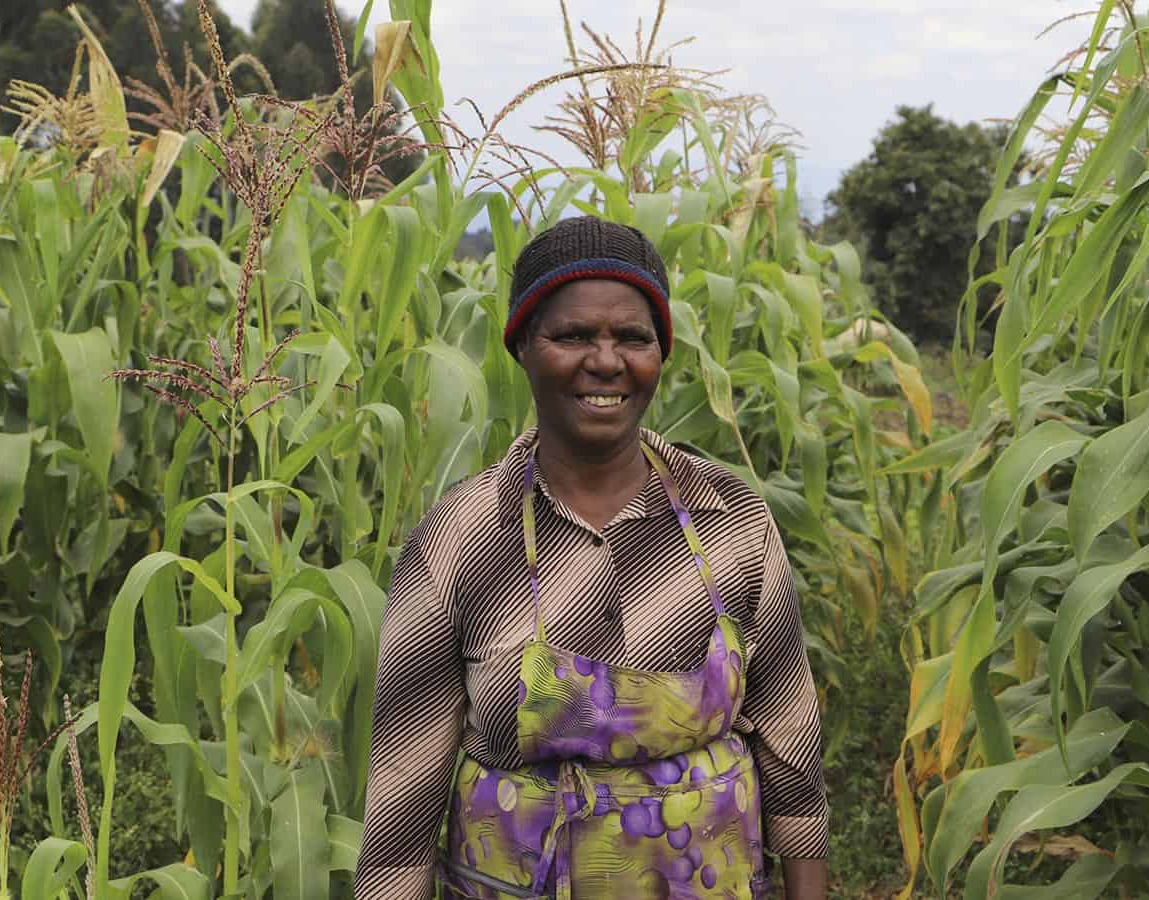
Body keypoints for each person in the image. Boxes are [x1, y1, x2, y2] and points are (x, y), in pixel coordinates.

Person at [353, 216, 830, 899]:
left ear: (660, 353)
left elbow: (792, 756)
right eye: (573, 335)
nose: (606, 361)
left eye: (632, 338)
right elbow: (401, 811)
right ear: (522, 344)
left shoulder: (734, 523)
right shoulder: (458, 538)